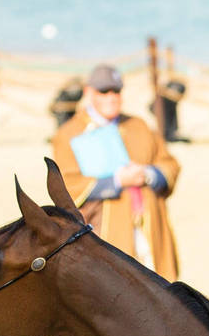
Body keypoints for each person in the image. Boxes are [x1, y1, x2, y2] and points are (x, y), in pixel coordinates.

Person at [51, 64, 182, 281]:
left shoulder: (138, 125)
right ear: (88, 92)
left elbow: (170, 165)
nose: (112, 97)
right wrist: (116, 181)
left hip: (150, 227)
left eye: (116, 91)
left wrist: (148, 173)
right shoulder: (69, 134)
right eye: (104, 91)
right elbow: (66, 185)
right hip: (106, 230)